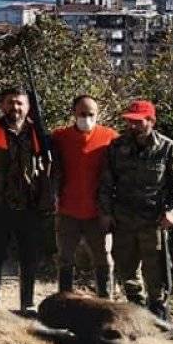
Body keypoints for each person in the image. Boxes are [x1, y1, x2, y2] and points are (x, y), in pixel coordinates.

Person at [97, 99, 173, 319]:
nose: (133, 126)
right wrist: (106, 212)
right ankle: (138, 317)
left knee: (156, 276)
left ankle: (160, 319)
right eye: (130, 121)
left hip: (153, 222)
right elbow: (105, 183)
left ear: (151, 121)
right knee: (127, 273)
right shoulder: (117, 147)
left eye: (139, 122)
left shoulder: (167, 148)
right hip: (123, 222)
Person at [0, 84, 52, 313]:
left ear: (28, 107)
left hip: (29, 206)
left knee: (29, 259)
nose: (15, 107)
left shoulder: (38, 133)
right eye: (10, 102)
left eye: (20, 102)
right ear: (2, 105)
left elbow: (50, 168)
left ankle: (27, 305)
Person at [51, 94, 118, 298]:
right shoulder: (59, 137)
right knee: (65, 258)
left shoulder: (111, 137)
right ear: (74, 113)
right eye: (82, 114)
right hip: (67, 210)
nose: (86, 118)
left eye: (91, 114)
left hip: (98, 213)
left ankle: (105, 300)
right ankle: (65, 300)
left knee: (103, 258)